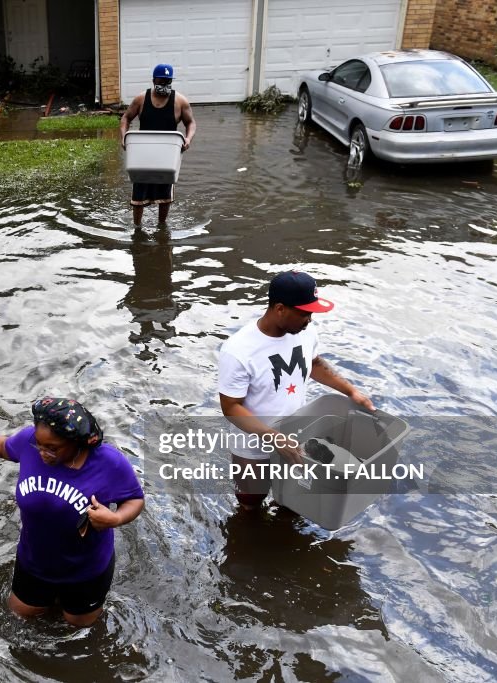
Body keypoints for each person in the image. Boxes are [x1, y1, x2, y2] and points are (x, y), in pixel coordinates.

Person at [0, 397, 144, 627]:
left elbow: (135, 499)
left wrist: (115, 518)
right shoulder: (31, 442)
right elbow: (3, 446)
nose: (42, 452)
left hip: (85, 572)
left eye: (52, 448)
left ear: (77, 443)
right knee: (19, 616)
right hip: (34, 562)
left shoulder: (108, 462)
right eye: (39, 444)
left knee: (76, 628)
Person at [217, 271, 375, 510]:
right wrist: (273, 437)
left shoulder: (305, 332)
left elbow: (313, 364)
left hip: (296, 433)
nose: (309, 319)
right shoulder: (238, 350)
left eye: (311, 313)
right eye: (304, 313)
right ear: (280, 308)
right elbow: (230, 407)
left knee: (294, 500)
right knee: (250, 503)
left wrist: (351, 391)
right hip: (252, 443)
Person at [119, 63, 197, 226]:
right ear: (153, 80)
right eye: (161, 81)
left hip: (167, 156)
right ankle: (137, 228)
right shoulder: (141, 99)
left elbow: (191, 123)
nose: (164, 85)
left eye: (168, 82)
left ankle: (162, 226)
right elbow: (126, 118)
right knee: (139, 194)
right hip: (143, 154)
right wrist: (124, 137)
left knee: (164, 195)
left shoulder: (180, 101)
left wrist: (188, 139)